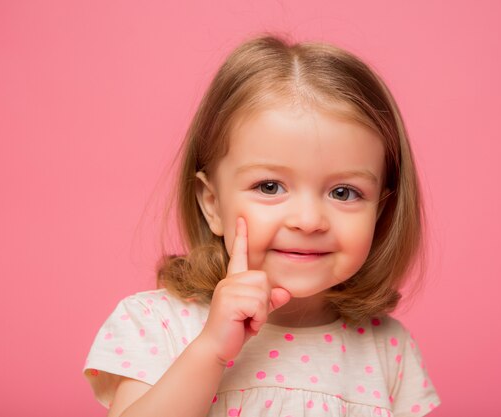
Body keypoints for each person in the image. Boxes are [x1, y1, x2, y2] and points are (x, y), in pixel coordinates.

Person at [83, 34, 442, 417]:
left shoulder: (387, 348)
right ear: (213, 204)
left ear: (381, 211)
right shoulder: (159, 325)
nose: (308, 221)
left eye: (343, 192)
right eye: (269, 187)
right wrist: (210, 351)